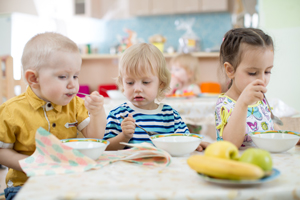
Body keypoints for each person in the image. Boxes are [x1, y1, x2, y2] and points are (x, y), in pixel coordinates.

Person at [0, 32, 106, 200]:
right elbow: (2, 151)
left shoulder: (75, 104)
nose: (73, 84)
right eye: (63, 76)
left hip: (69, 178)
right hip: (25, 184)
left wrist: (97, 112)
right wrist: (30, 164)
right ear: (34, 78)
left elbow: (94, 138)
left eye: (76, 76)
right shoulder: (11, 111)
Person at [104, 43, 209, 151]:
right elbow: (105, 148)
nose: (137, 89)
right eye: (130, 83)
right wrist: (124, 136)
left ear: (161, 83)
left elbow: (184, 141)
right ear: (122, 83)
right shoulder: (118, 115)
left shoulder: (171, 116)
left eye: (146, 82)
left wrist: (195, 143)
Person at [215, 28, 276, 149]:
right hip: (238, 165)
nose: (262, 79)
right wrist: (242, 103)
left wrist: (291, 138)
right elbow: (230, 144)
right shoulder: (224, 105)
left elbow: (272, 128)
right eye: (253, 73)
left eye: (267, 71)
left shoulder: (261, 100)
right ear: (230, 70)